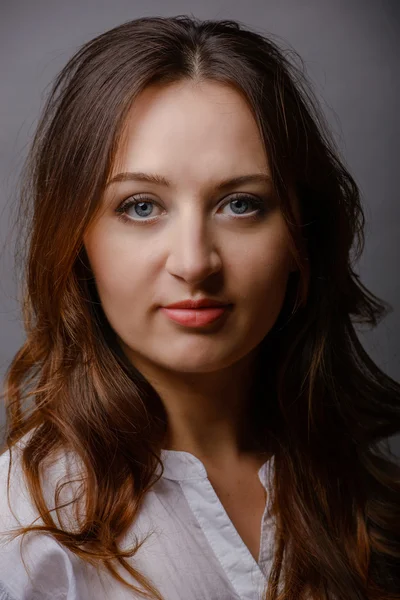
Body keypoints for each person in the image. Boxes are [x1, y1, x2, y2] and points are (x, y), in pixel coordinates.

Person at [0, 14, 399, 600]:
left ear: (300, 237)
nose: (195, 262)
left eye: (240, 203)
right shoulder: (23, 530)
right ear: (77, 240)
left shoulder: (365, 491)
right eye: (140, 206)